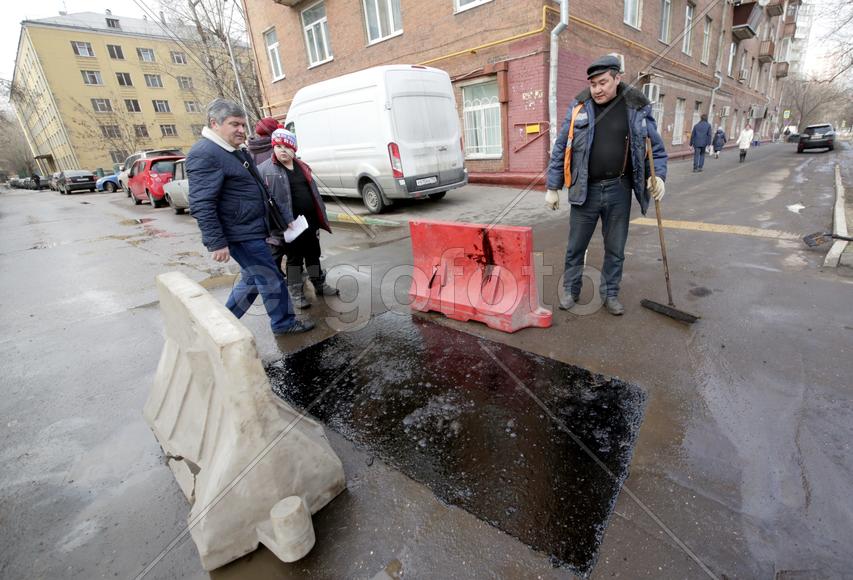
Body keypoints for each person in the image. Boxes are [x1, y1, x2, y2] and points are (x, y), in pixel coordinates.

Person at [545, 55, 667, 316]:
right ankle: (571, 290)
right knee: (575, 247)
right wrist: (552, 187)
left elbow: (654, 149)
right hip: (585, 190)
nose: (597, 89)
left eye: (603, 83)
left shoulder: (636, 107)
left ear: (617, 78)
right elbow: (561, 147)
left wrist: (658, 177)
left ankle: (610, 293)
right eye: (593, 84)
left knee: (615, 248)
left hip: (618, 190)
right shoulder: (579, 107)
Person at [187, 98, 314, 335]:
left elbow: (260, 190)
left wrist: (282, 218)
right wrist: (216, 242)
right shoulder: (205, 153)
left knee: (253, 280)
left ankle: (220, 326)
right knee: (270, 277)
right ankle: (283, 324)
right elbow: (202, 203)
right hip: (240, 233)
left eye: (243, 125)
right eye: (234, 124)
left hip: (250, 228)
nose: (241, 130)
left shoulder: (232, 150)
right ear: (214, 123)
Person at [258, 128, 339, 309]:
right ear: (273, 147)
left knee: (313, 254)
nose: (282, 150)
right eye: (278, 146)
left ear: (294, 149)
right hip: (289, 225)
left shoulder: (302, 166)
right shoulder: (265, 170)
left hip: (309, 221)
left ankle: (319, 284)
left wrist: (320, 214)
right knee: (294, 259)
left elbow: (313, 192)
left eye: (287, 147)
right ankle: (296, 292)